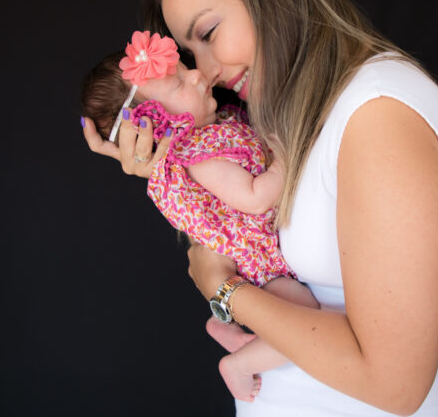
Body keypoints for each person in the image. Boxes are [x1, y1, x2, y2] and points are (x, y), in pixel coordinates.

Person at [82, 0, 438, 417]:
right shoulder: (282, 120)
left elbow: (396, 385)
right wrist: (160, 168)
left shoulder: (379, 112)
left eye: (209, 32)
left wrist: (225, 291)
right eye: (188, 58)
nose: (208, 73)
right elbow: (235, 226)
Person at [80, 31, 319, 402]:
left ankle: (221, 327)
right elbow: (255, 198)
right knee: (304, 316)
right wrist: (285, 155)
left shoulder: (217, 130)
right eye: (177, 82)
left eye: (185, 69)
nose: (197, 75)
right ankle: (236, 364)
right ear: (155, 123)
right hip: (263, 267)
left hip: (252, 253)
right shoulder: (201, 155)